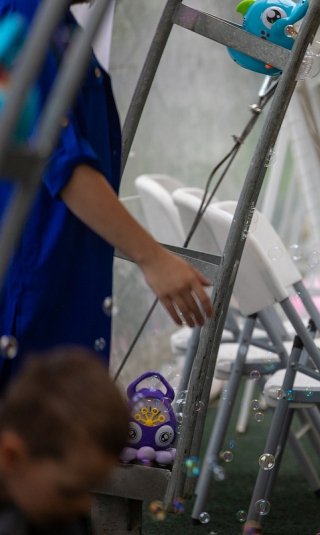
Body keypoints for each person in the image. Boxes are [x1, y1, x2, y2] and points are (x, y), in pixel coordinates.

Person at [0, 0, 213, 390]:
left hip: (57, 281)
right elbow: (58, 159)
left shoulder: (58, 23)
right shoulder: (28, 13)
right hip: (34, 290)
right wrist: (152, 257)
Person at [0, 346, 130, 533]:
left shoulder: (60, 516)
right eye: (70, 492)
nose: (85, 505)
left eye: (92, 488)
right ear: (11, 457)